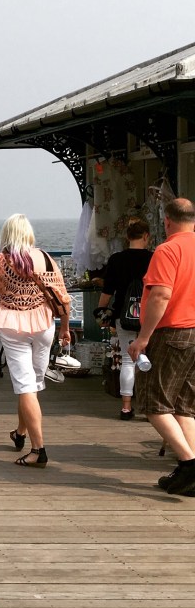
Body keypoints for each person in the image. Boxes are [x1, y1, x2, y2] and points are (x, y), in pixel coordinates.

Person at [0, 214, 71, 468]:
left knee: (26, 386)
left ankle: (38, 449)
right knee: (33, 384)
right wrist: (65, 328)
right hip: (44, 324)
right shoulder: (45, 257)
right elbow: (62, 296)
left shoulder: (0, 260)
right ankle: (20, 432)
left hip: (14, 325)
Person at [127, 199, 195, 495]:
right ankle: (189, 469)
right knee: (184, 405)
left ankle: (189, 462)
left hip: (172, 332)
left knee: (153, 403)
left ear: (167, 221)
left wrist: (143, 337)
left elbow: (160, 296)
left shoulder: (168, 250)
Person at [95, 218, 152, 420]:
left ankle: (126, 407)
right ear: (146, 236)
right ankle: (147, 407)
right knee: (148, 361)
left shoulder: (117, 259)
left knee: (128, 360)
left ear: (127, 237)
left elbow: (108, 290)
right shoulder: (154, 258)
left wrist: (101, 311)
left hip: (123, 315)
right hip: (150, 316)